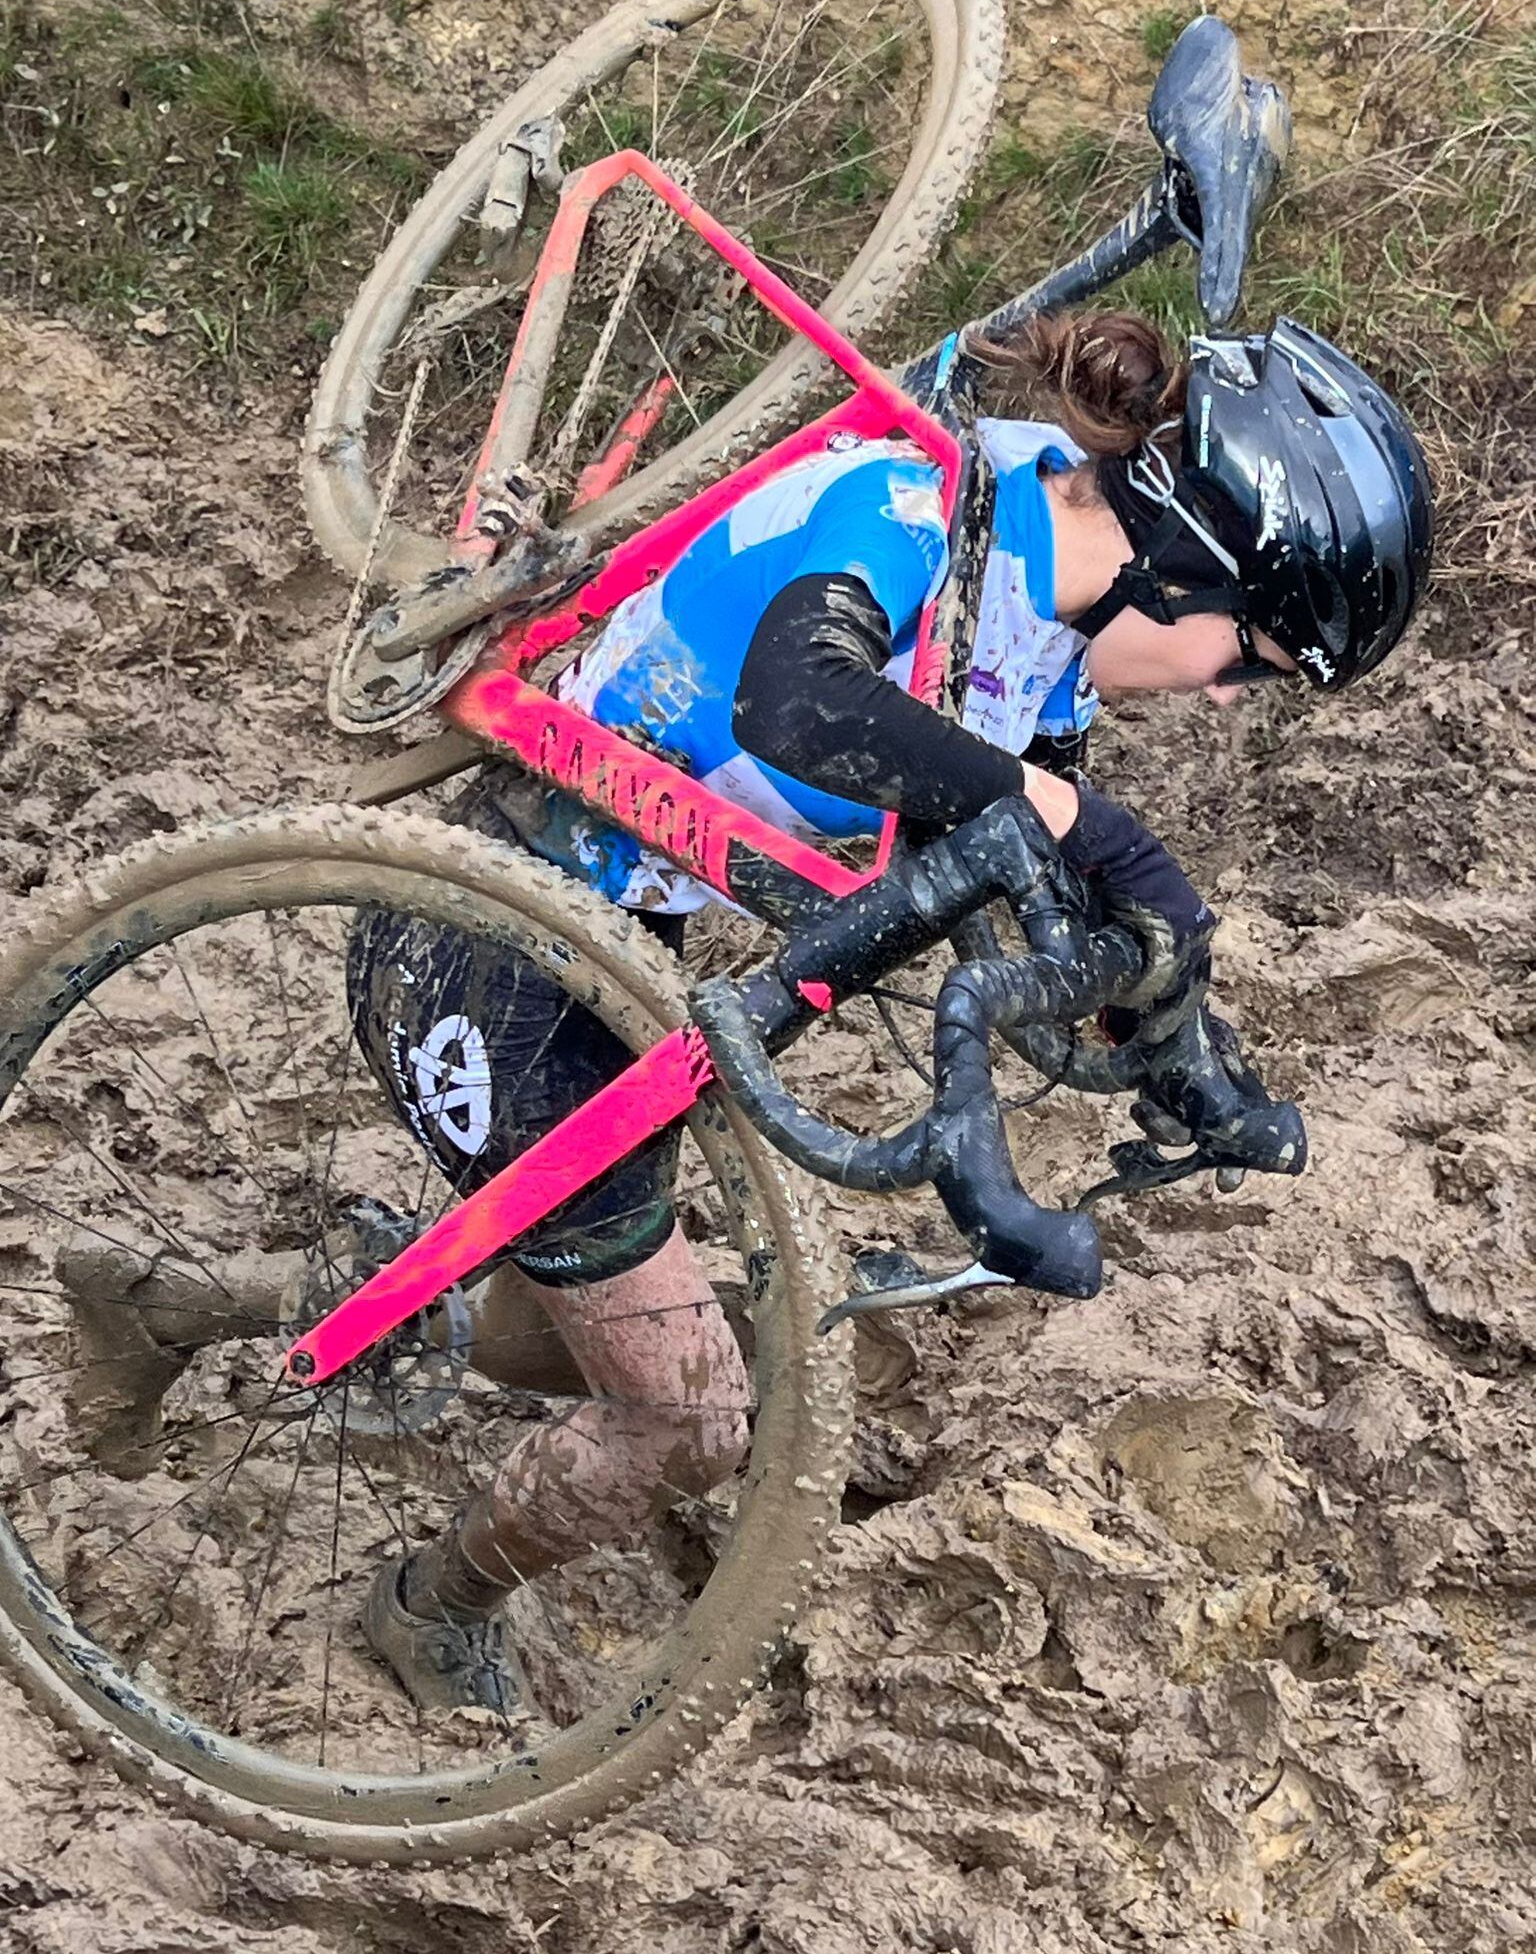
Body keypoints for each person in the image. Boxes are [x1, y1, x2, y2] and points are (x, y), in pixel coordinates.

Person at [348, 308, 1434, 1713]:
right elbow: (801, 704)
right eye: (1247, 664)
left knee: (582, 1312)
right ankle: (428, 1609)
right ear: (1181, 569)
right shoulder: (911, 504)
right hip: (497, 961)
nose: (1225, 698)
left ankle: (193, 1306)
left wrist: (1182, 1044)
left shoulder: (1028, 618)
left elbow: (1024, 886)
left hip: (608, 972)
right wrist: (1077, 819)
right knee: (687, 1412)